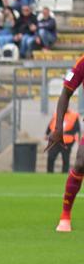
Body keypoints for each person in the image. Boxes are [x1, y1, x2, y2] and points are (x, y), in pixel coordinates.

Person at [47, 54, 84, 231]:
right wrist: (58, 128)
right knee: (80, 163)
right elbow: (66, 93)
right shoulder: (82, 63)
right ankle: (65, 216)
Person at [46, 108, 79, 175]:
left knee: (65, 159)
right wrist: (47, 133)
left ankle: (64, 174)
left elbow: (76, 129)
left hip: (67, 141)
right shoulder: (56, 114)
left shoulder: (74, 116)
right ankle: (49, 174)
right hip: (55, 141)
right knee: (51, 157)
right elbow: (50, 125)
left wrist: (67, 133)